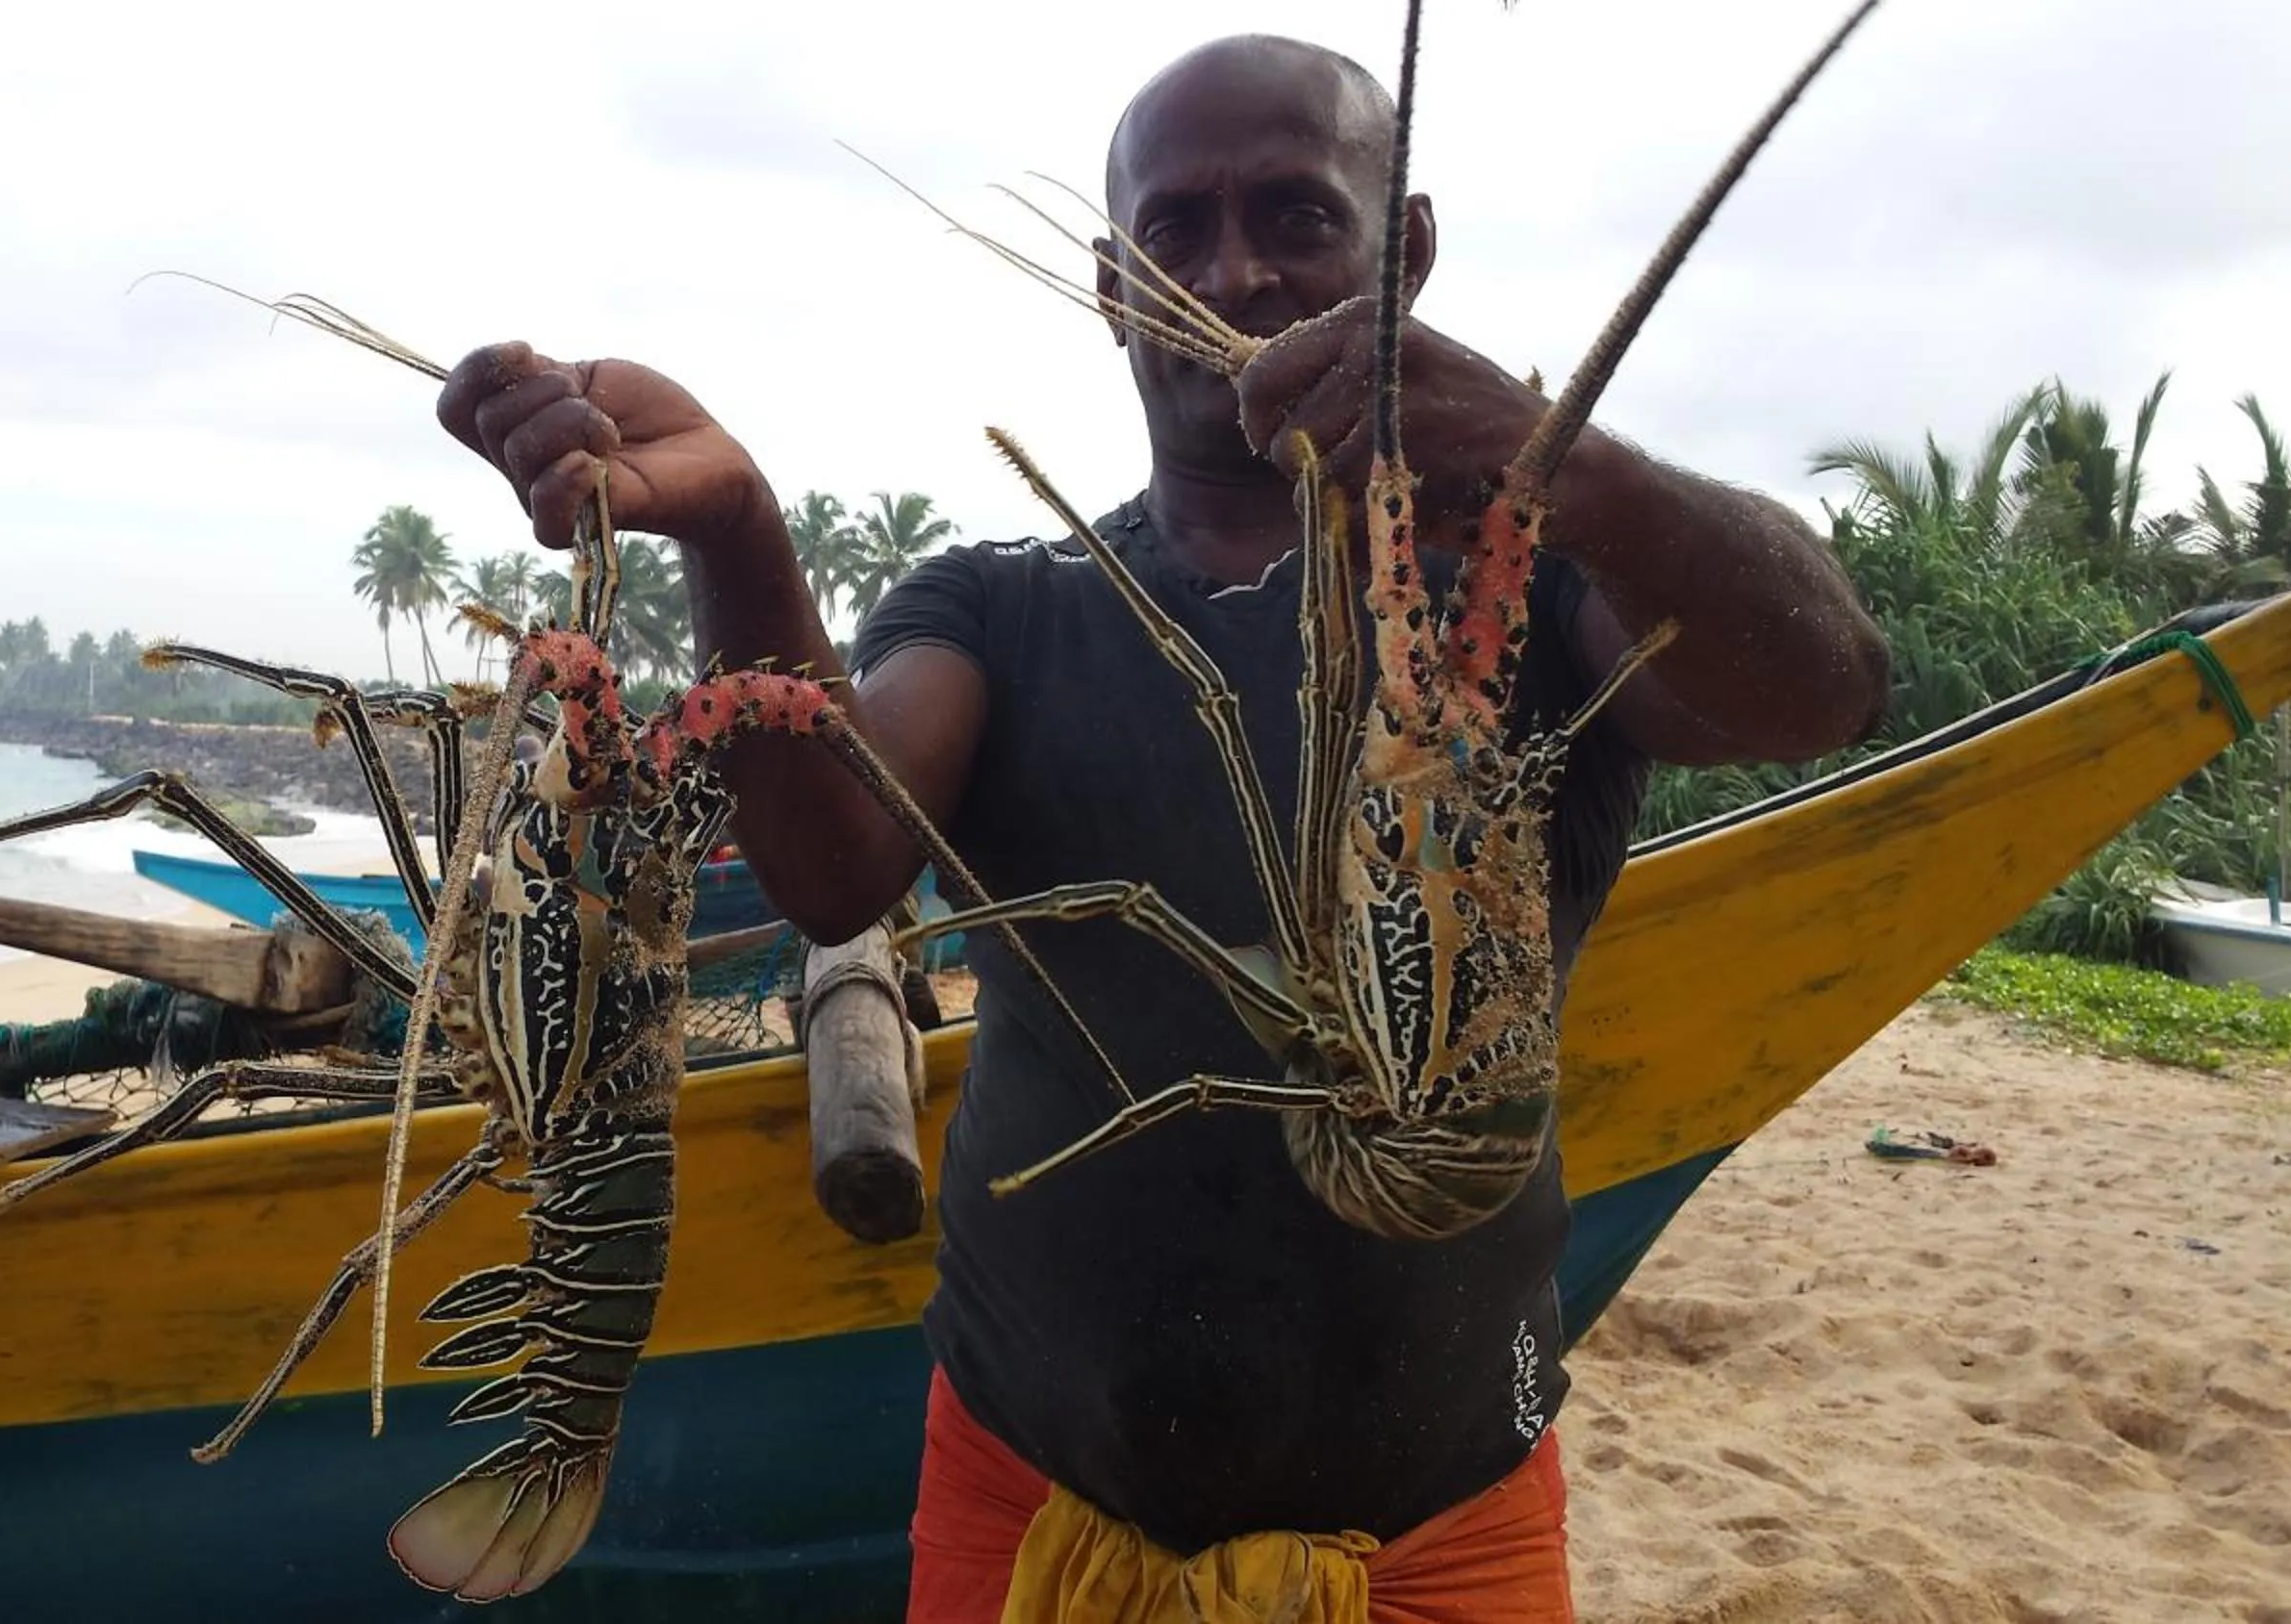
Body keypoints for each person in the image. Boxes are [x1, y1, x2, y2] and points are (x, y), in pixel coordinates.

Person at [430, 31, 1890, 1622]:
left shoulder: (1534, 592)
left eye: (1299, 217)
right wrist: (733, 526)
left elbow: (1823, 688)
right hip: (1027, 1483)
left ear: (1402, 253)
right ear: (1116, 285)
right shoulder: (999, 602)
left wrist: (1576, 468)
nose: (1240, 270)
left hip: (1441, 1514)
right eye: (1181, 230)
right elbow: (835, 860)